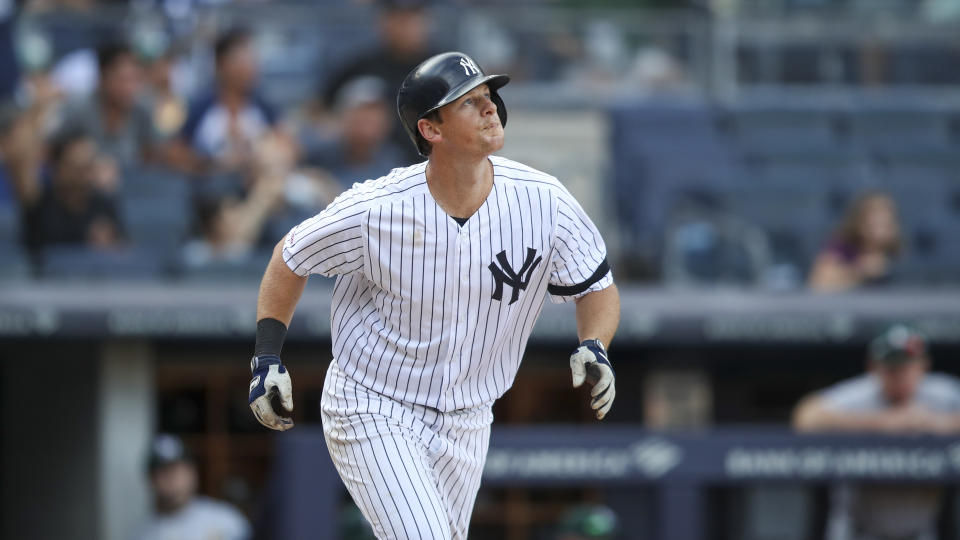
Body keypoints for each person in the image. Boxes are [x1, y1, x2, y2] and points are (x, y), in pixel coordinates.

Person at [247, 52, 620, 539]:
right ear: (431, 130)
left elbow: (596, 286)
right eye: (469, 102)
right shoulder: (376, 208)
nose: (490, 108)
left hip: (470, 419)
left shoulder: (543, 201)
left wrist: (595, 344)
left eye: (489, 97)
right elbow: (289, 256)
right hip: (375, 404)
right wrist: (267, 357)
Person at [793, 324, 960, 540]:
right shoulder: (862, 392)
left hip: (921, 529)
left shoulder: (940, 393)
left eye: (907, 366)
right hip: (859, 529)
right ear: (874, 368)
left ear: (923, 365)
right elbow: (806, 416)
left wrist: (939, 423)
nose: (900, 375)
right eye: (892, 368)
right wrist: (882, 422)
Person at [321, 0, 434, 164]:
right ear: (383, 21)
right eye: (398, 18)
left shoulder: (441, 65)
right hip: (370, 163)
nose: (405, 27)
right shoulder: (362, 64)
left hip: (429, 160)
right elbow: (319, 109)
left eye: (411, 18)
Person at [168, 28, 288, 177]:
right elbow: (175, 152)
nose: (250, 67)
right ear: (221, 65)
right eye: (241, 61)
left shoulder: (263, 105)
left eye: (252, 60)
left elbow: (288, 145)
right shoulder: (201, 106)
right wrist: (212, 162)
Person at [9, 128, 123, 257]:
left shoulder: (103, 203)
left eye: (88, 166)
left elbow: (124, 249)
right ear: (57, 166)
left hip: (94, 274)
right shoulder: (38, 200)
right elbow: (18, 154)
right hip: (44, 274)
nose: (83, 176)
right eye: (75, 167)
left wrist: (108, 243)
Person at [60, 42, 160, 171]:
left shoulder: (143, 107)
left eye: (135, 79)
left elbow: (156, 153)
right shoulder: (79, 107)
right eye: (123, 79)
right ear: (103, 78)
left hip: (131, 185)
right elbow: (51, 148)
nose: (129, 88)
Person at [134, 433, 251, 540]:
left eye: (177, 470)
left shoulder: (227, 521)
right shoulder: (141, 534)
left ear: (193, 473)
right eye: (162, 472)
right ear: (150, 480)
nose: (171, 479)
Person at [307, 75, 406, 191]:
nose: (369, 119)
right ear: (342, 115)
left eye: (376, 112)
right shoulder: (317, 154)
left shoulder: (394, 162)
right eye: (362, 111)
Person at [809, 191, 902, 292]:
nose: (880, 231)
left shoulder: (895, 253)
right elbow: (818, 282)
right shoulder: (843, 248)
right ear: (860, 224)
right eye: (875, 224)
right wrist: (860, 270)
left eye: (886, 224)